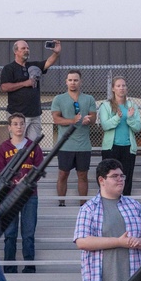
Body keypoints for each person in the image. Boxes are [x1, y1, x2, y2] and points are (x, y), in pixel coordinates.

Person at [0, 112, 44, 274]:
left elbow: (39, 168)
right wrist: (13, 181)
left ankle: (29, 267)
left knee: (28, 233)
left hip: (29, 195)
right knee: (10, 234)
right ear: (9, 127)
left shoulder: (33, 146)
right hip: (9, 196)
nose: (19, 127)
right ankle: (9, 268)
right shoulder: (4, 148)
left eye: (21, 123)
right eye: (15, 124)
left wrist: (27, 181)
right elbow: (0, 172)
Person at [50, 69, 97, 205]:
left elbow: (93, 118)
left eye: (75, 80)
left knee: (82, 175)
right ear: (66, 82)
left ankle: (83, 205)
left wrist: (89, 119)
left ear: (80, 82)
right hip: (65, 145)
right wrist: (73, 121)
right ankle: (61, 203)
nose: (73, 82)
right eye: (70, 80)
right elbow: (56, 119)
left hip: (83, 145)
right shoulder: (59, 99)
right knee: (63, 174)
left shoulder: (89, 99)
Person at [0, 39, 62, 142]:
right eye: (23, 48)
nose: (26, 50)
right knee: (18, 145)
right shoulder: (9, 68)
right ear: (16, 51)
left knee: (33, 146)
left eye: (28, 48)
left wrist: (57, 52)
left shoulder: (34, 66)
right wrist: (24, 83)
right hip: (17, 115)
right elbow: (4, 87)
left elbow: (49, 62)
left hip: (34, 115)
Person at [98, 77, 141, 196]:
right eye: (118, 86)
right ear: (113, 88)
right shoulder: (106, 105)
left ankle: (125, 203)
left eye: (123, 85)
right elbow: (105, 125)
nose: (121, 88)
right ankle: (108, 200)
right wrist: (117, 117)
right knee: (110, 177)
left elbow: (138, 127)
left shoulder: (132, 105)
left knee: (125, 178)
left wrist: (130, 118)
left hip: (128, 147)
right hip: (111, 148)